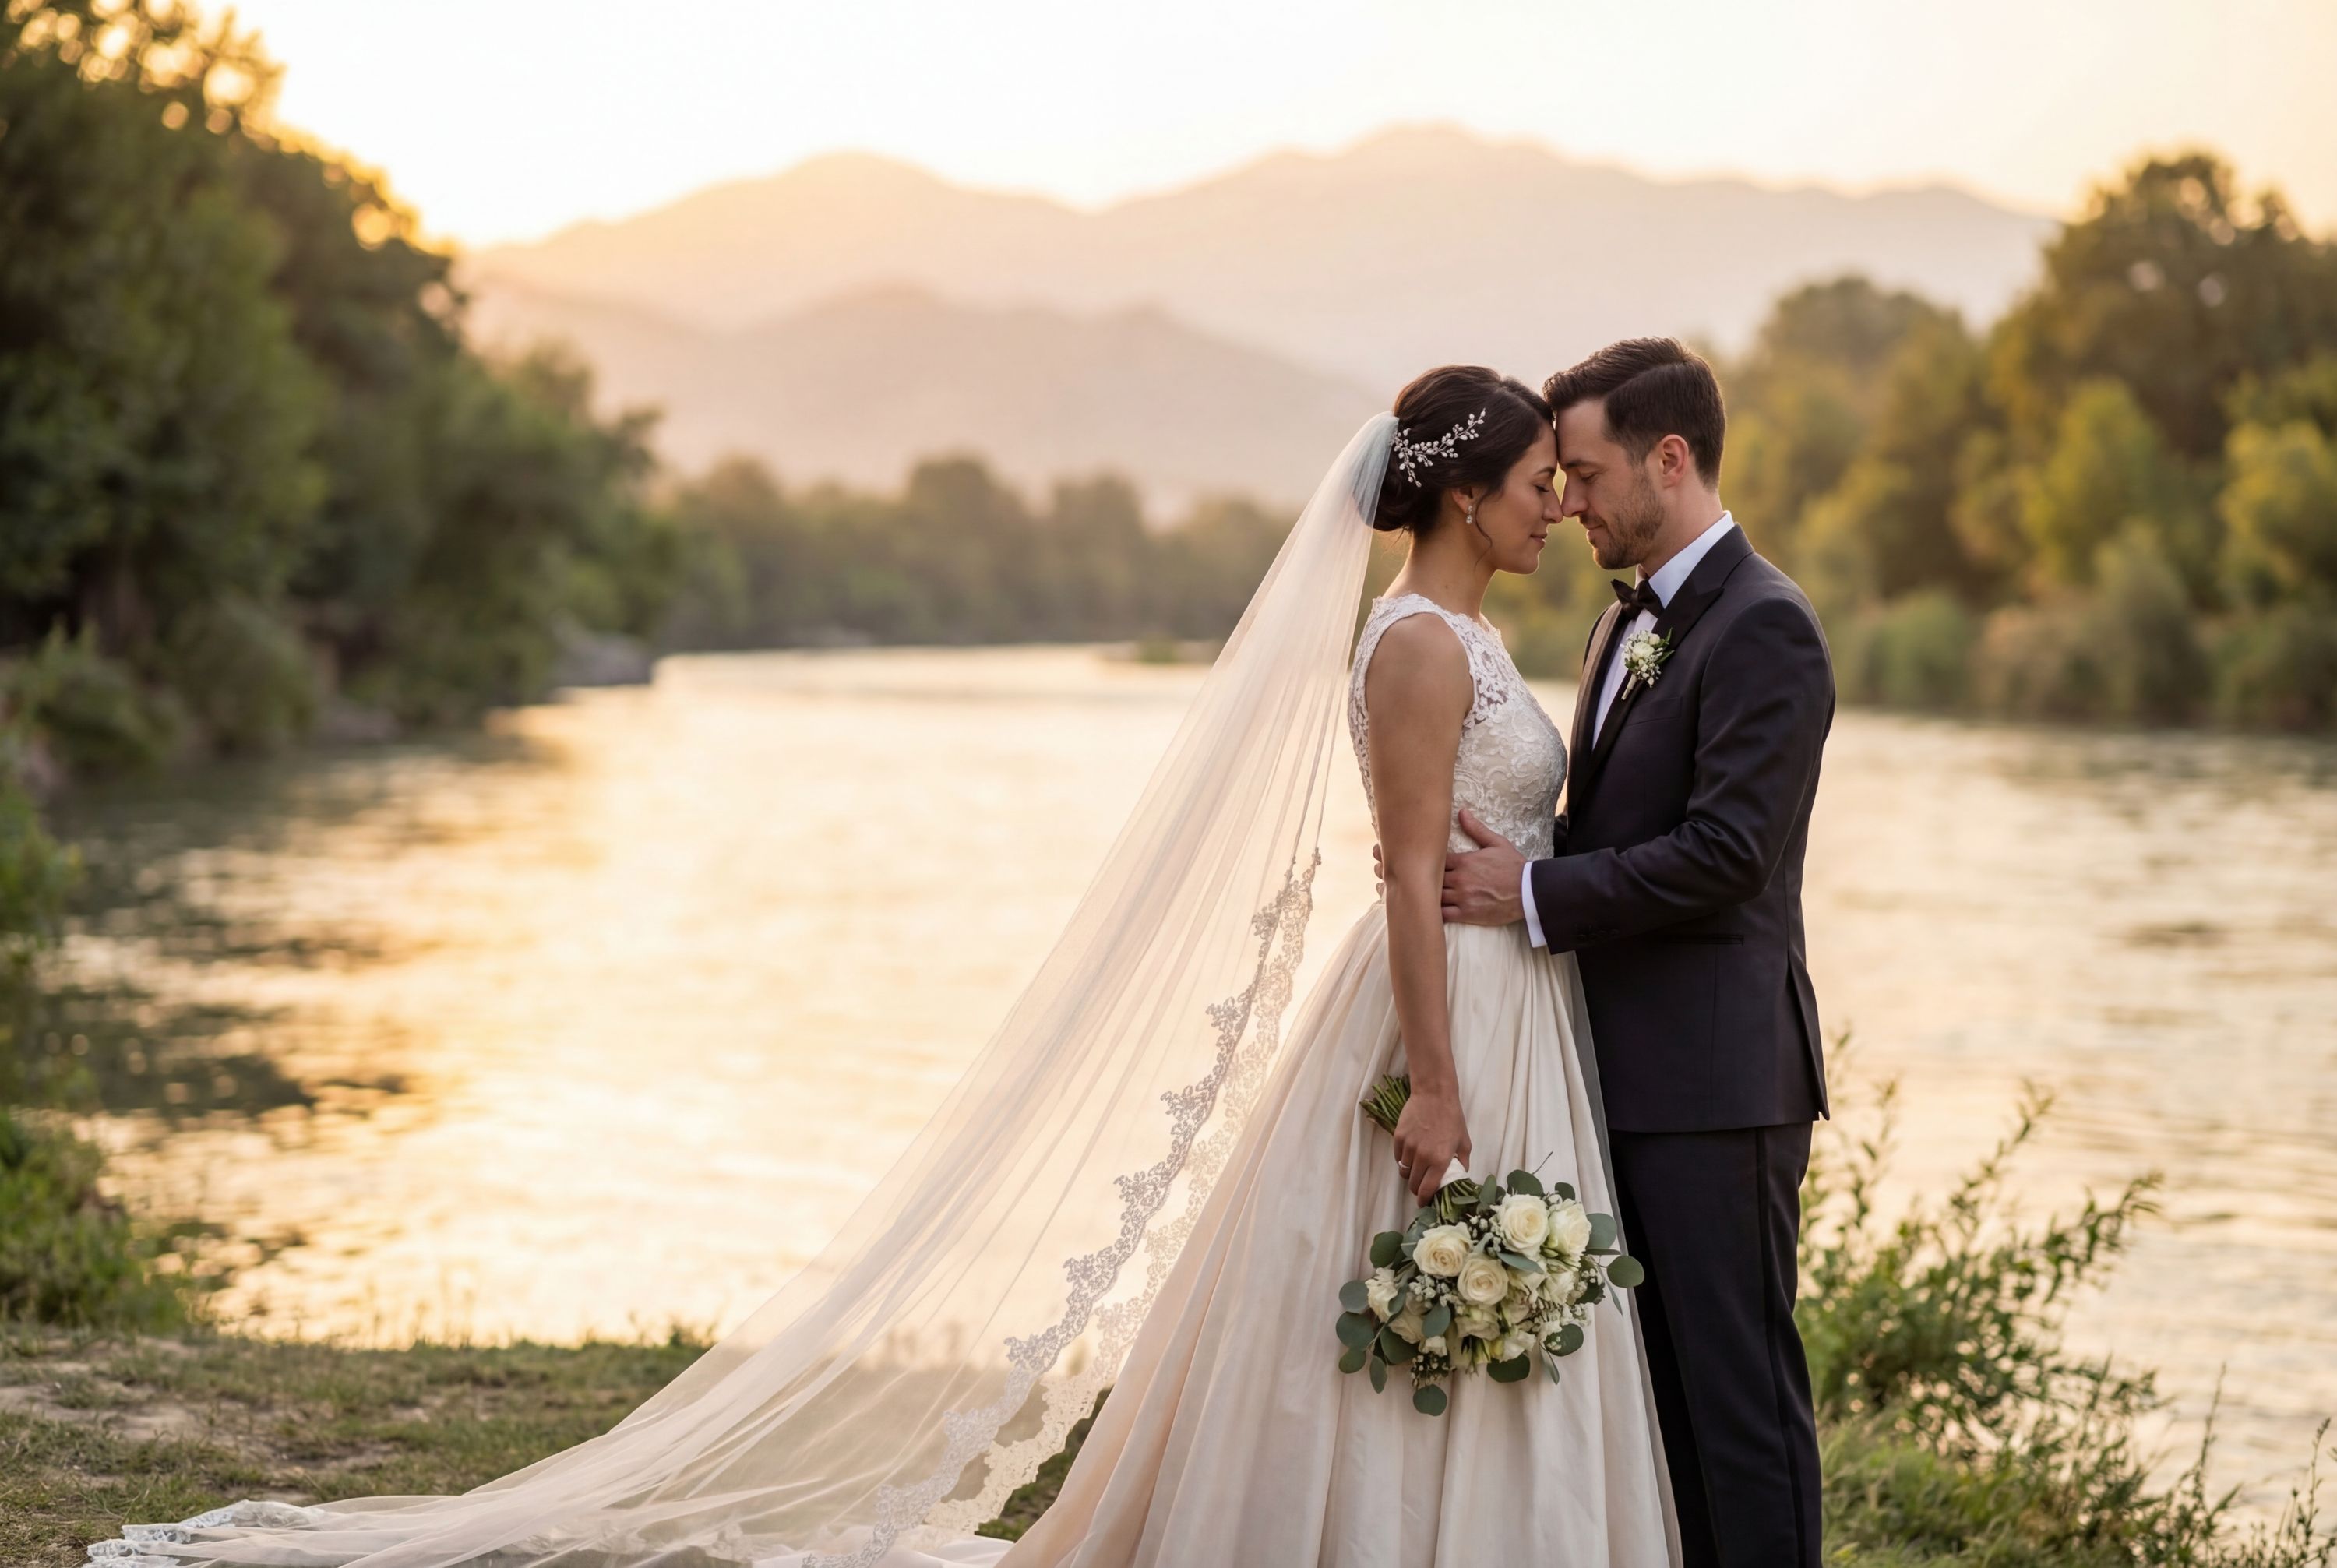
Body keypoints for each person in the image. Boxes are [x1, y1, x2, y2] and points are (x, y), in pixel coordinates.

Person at [1439, 338, 1834, 1568]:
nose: (1570, 501)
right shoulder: (1626, 625)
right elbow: (1623, 822)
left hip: (1718, 1090)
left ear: (1673, 458)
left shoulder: (1767, 628)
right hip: (1620, 1071)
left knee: (1739, 1404)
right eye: (1556, 477)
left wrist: (1537, 888)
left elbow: (1728, 853)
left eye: (1591, 472)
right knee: (1656, 1406)